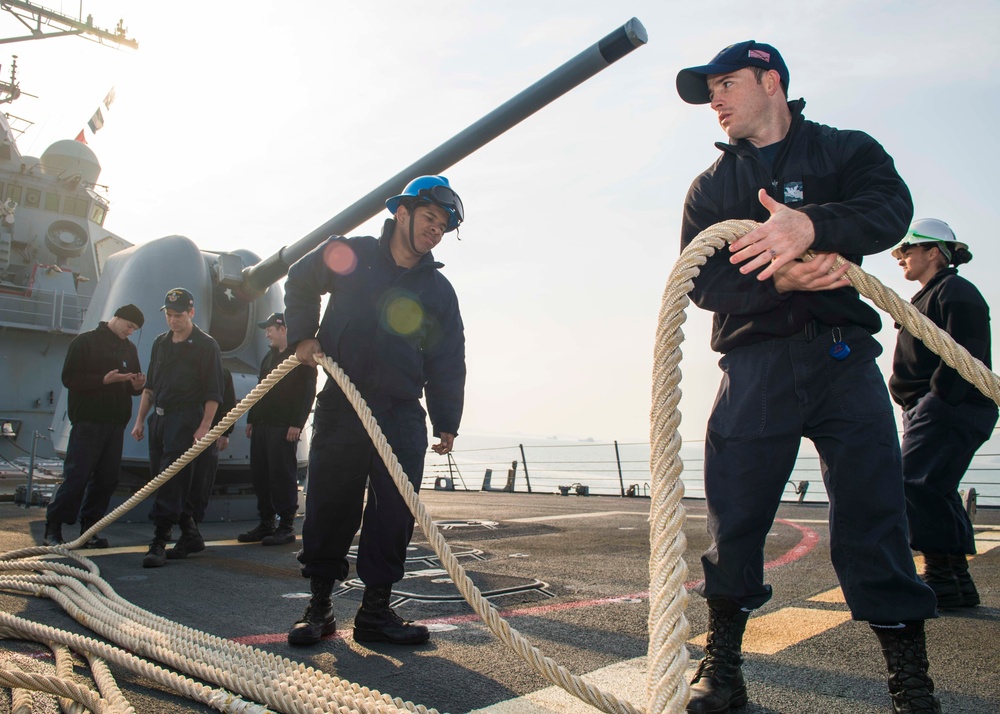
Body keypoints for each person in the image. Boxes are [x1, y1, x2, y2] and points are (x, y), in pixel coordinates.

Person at [675, 41, 940, 713]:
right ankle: (723, 668)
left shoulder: (844, 150)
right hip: (756, 361)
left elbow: (889, 206)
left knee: (876, 512)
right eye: (709, 90)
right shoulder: (711, 188)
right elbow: (700, 279)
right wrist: (779, 275)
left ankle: (910, 680)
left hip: (843, 356)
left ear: (770, 80)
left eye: (726, 83)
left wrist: (813, 226)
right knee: (736, 518)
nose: (716, 99)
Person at [283, 175, 466, 647]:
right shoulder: (353, 255)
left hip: (403, 413)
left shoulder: (439, 291)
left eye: (443, 226)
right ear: (401, 213)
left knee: (394, 514)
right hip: (344, 403)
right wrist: (302, 333)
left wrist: (447, 420)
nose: (436, 231)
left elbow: (449, 357)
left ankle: (375, 613)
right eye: (430, 219)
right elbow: (301, 279)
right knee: (329, 506)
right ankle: (320, 608)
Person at [889, 219, 996, 610]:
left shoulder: (956, 292)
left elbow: (966, 356)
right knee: (935, 486)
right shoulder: (929, 296)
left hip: (950, 407)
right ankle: (954, 582)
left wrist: (937, 401)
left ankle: (940, 574)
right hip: (935, 408)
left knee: (909, 482)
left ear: (934, 252)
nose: (901, 258)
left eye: (908, 251)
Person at [131, 287, 224, 569]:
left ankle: (159, 540)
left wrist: (204, 426)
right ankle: (191, 534)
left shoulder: (207, 346)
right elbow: (150, 387)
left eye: (178, 315)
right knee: (159, 478)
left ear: (191, 313)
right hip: (159, 419)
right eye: (169, 315)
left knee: (170, 481)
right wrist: (139, 421)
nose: (173, 320)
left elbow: (214, 392)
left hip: (185, 420)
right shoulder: (160, 343)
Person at [44, 304, 146, 548]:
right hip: (88, 422)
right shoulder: (84, 343)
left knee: (108, 479)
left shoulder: (129, 349)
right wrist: (103, 380)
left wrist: (137, 386)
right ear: (118, 318)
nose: (130, 332)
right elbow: (69, 378)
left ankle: (90, 529)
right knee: (77, 476)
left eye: (134, 329)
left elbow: (133, 385)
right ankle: (53, 528)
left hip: (115, 424)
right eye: (129, 326)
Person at [238, 313, 316, 546]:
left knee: (282, 475)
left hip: (283, 426)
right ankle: (266, 523)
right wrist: (252, 418)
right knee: (261, 474)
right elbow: (260, 390)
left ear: (283, 329)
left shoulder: (299, 357)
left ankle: (286, 526)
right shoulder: (268, 358)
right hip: (263, 425)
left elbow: (307, 393)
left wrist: (297, 423)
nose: (266, 334)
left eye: (270, 329)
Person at [174, 366, 236, 552]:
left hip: (208, 436)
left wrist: (224, 432)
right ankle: (185, 530)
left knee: (200, 482)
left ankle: (191, 531)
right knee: (179, 482)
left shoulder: (221, 372)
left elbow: (228, 403)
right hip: (181, 432)